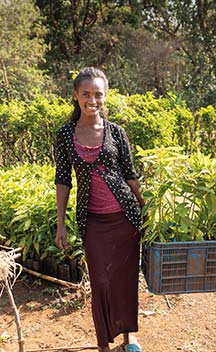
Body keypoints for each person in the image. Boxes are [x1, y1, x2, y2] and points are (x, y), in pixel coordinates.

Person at [54, 67, 144, 352]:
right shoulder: (66, 134)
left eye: (98, 94)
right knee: (102, 282)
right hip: (92, 220)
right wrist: (60, 223)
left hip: (125, 217)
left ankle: (129, 339)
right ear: (75, 96)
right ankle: (104, 344)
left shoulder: (116, 132)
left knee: (125, 280)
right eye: (86, 94)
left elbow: (130, 175)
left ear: (105, 96)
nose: (92, 100)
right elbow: (63, 179)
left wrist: (147, 208)